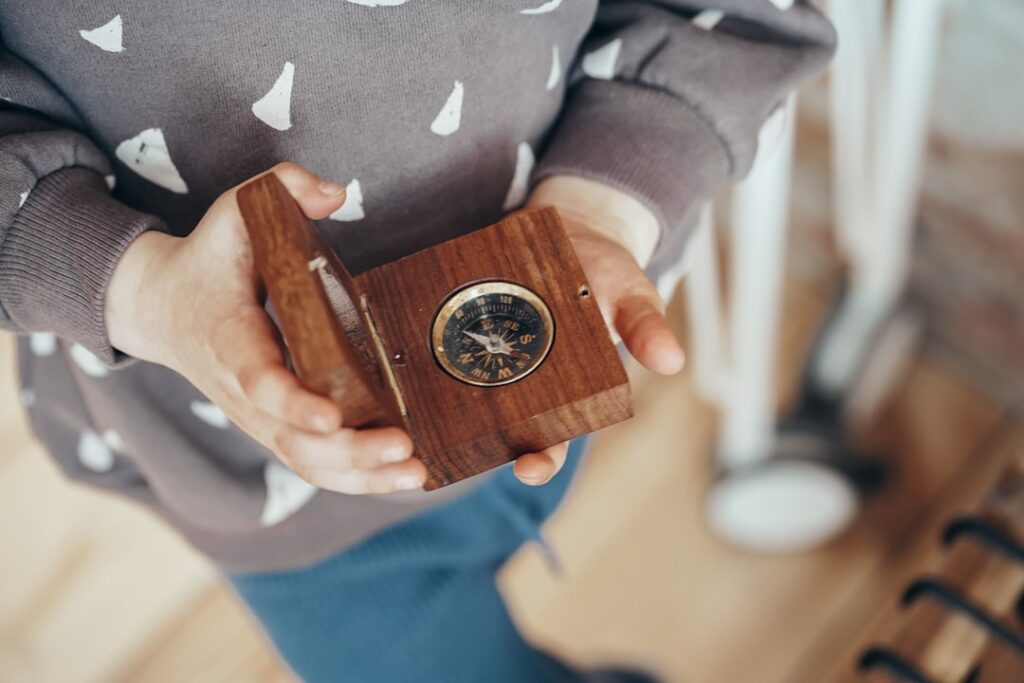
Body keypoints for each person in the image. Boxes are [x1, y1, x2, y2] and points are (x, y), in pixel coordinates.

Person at [0, 2, 835, 681]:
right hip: (266, 490)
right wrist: (140, 289)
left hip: (554, 365)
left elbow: (726, 17)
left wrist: (602, 207)